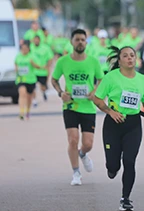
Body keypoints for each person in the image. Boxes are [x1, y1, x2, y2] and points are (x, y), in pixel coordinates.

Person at [93, 46, 144, 211]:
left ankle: (126, 198)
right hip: (113, 125)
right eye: (126, 56)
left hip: (133, 124)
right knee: (113, 166)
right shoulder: (111, 77)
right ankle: (111, 168)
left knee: (129, 162)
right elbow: (97, 99)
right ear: (120, 60)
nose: (130, 58)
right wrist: (110, 112)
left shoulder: (142, 79)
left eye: (132, 55)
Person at [51, 29, 104, 186]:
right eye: (77, 39)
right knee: (73, 140)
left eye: (82, 40)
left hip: (88, 107)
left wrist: (95, 91)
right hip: (70, 106)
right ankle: (76, 173)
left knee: (88, 144)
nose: (80, 42)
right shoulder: (63, 62)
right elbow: (53, 80)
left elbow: (101, 79)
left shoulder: (93, 62)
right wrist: (61, 93)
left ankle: (83, 154)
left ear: (86, 42)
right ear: (71, 42)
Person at [14, 41, 42, 120]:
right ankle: (21, 112)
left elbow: (39, 66)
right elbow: (15, 63)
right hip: (21, 79)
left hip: (30, 79)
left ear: (28, 49)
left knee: (29, 97)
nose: (24, 51)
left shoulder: (32, 56)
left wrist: (33, 63)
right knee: (22, 94)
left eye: (26, 49)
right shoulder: (18, 56)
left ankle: (27, 111)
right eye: (23, 49)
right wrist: (16, 69)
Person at [30, 35, 54, 103]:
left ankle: (44, 93)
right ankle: (34, 100)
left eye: (37, 40)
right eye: (35, 40)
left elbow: (50, 57)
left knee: (42, 86)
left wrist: (47, 66)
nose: (36, 41)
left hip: (42, 71)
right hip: (33, 71)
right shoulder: (30, 47)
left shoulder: (45, 48)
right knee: (33, 87)